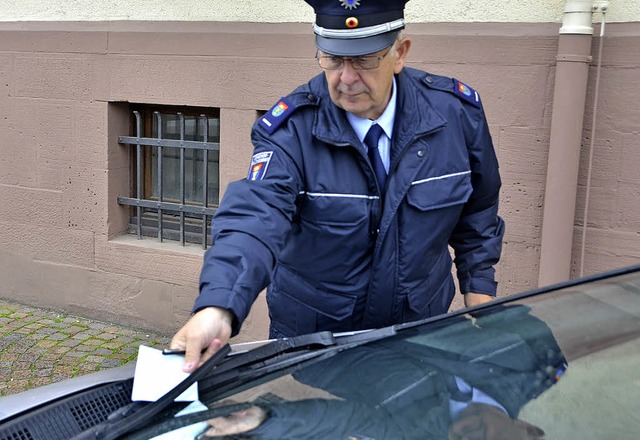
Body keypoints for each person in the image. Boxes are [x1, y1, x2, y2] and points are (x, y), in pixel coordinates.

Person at [171, 0, 505, 373]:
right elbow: (255, 217)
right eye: (332, 59)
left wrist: (480, 291)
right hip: (314, 348)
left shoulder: (454, 115)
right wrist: (218, 306)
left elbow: (479, 210)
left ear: (399, 53)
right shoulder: (295, 128)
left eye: (363, 60)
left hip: (416, 334)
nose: (346, 78)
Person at [192, 305, 567, 439]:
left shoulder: (415, 433)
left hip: (324, 333)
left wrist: (265, 420)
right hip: (409, 295)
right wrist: (480, 287)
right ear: (530, 432)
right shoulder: (541, 363)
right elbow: (503, 311)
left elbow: (337, 422)